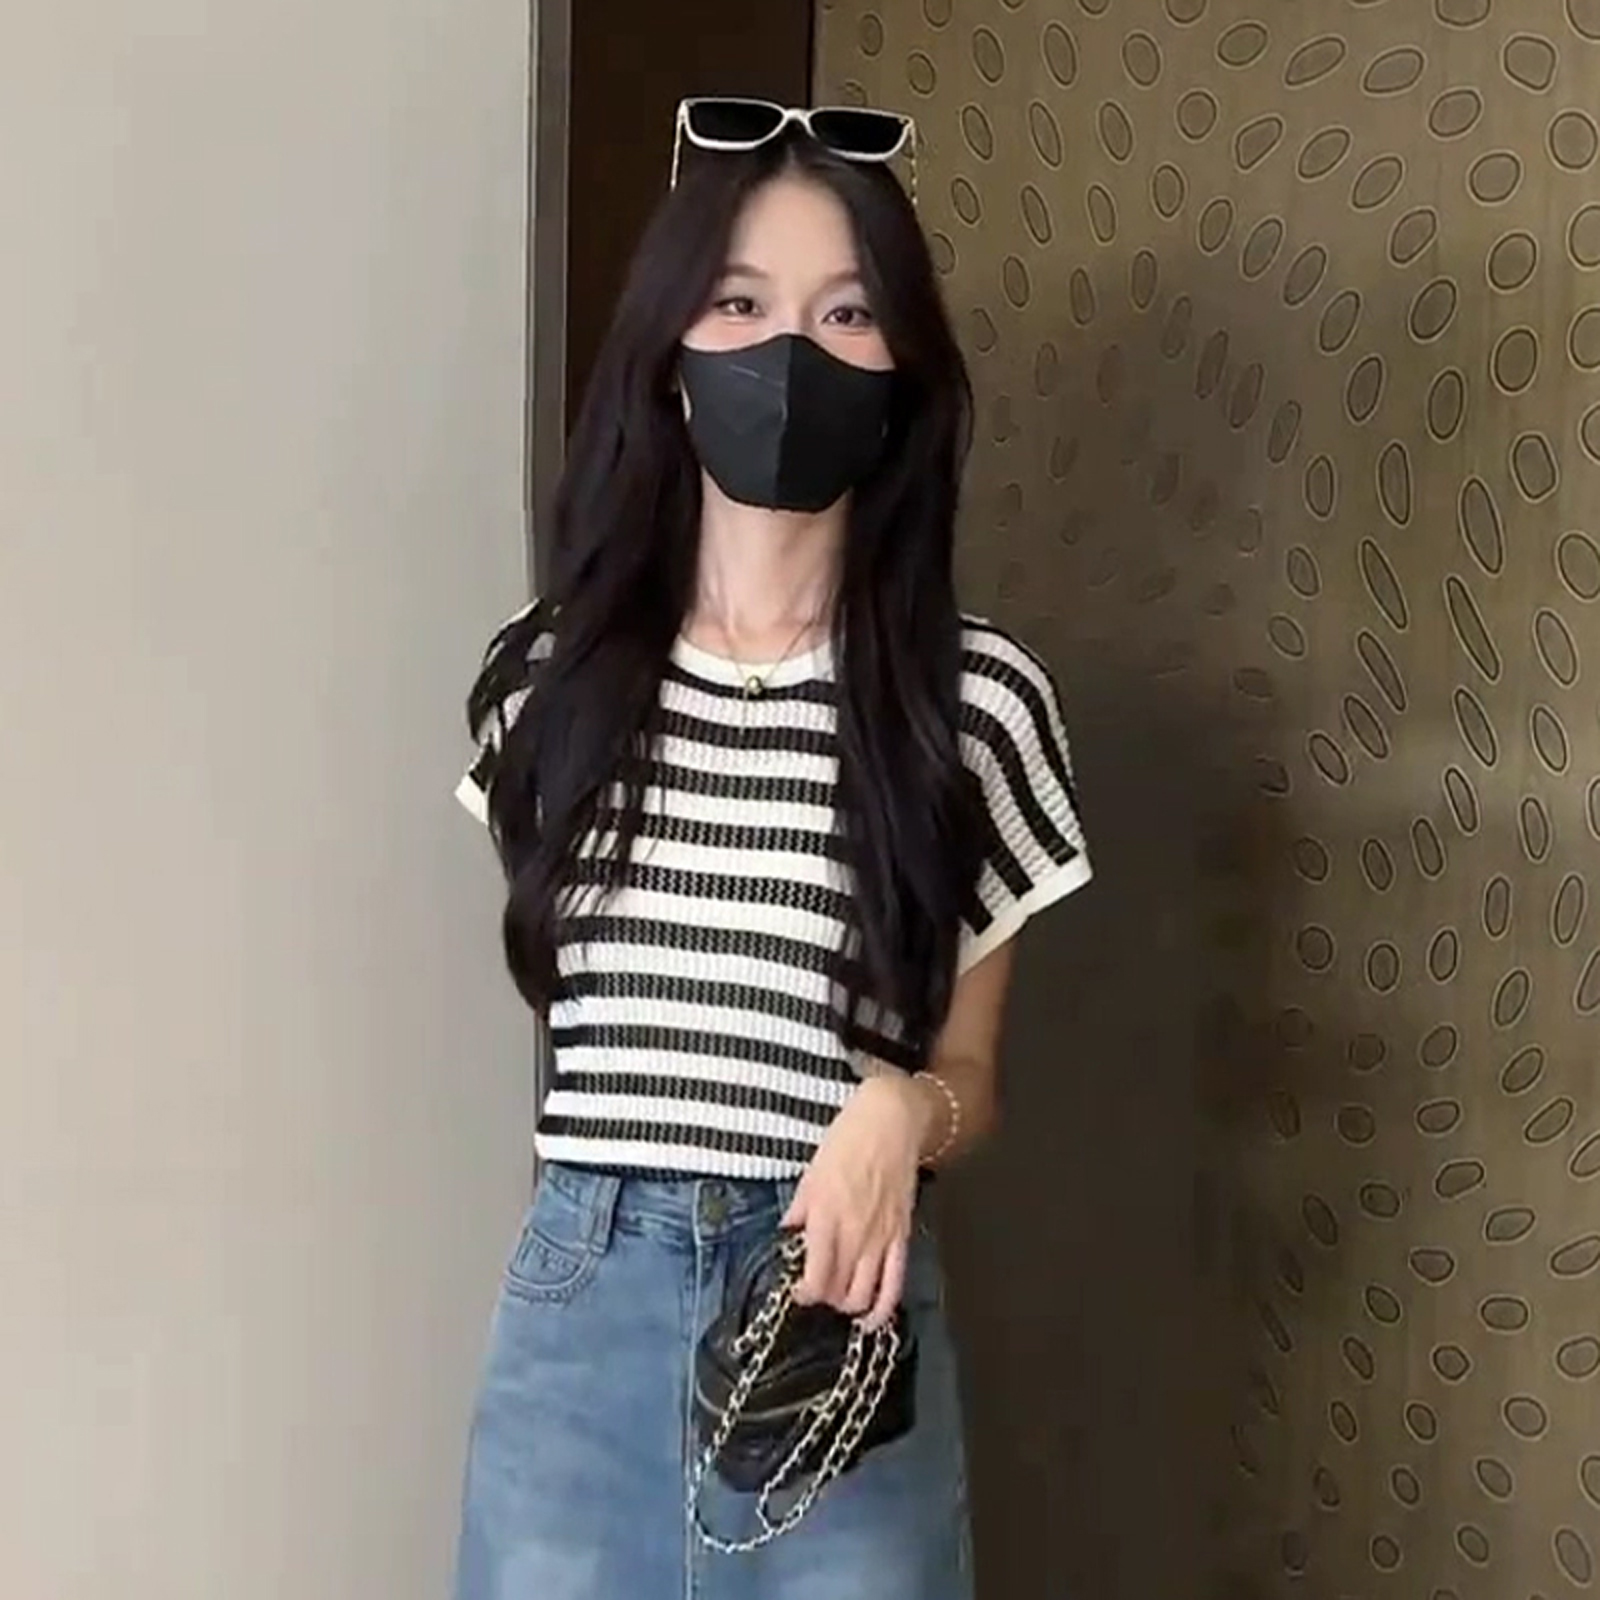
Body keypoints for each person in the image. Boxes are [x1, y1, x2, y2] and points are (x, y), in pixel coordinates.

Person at [450, 98, 1092, 1600]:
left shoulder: (976, 703)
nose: (788, 355)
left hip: (837, 1315)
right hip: (583, 1313)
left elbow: (972, 1077)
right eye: (740, 304)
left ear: (902, 368)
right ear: (671, 353)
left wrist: (900, 1112)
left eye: (845, 314)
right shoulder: (547, 682)